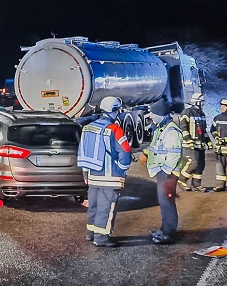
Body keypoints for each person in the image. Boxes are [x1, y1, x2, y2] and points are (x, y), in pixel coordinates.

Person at [76, 96, 132, 247]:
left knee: (93, 206)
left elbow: (83, 152)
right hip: (110, 176)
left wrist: (85, 173)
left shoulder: (88, 128)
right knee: (106, 208)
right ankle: (101, 239)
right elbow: (125, 151)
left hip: (93, 176)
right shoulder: (114, 129)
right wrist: (122, 168)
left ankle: (91, 233)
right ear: (114, 111)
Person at [140, 99, 185, 244]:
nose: (151, 117)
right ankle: (165, 228)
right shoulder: (161, 128)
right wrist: (146, 153)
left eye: (153, 114)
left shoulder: (171, 131)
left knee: (167, 202)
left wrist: (165, 172)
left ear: (161, 114)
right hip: (163, 172)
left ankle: (168, 232)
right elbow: (155, 146)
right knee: (164, 201)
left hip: (168, 173)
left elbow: (174, 154)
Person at [177, 92, 209, 192]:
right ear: (196, 102)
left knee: (201, 164)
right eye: (201, 102)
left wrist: (208, 141)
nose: (203, 104)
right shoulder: (187, 112)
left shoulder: (202, 114)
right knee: (193, 163)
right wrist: (188, 140)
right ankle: (182, 180)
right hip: (189, 144)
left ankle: (196, 184)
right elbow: (183, 127)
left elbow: (204, 130)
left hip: (200, 144)